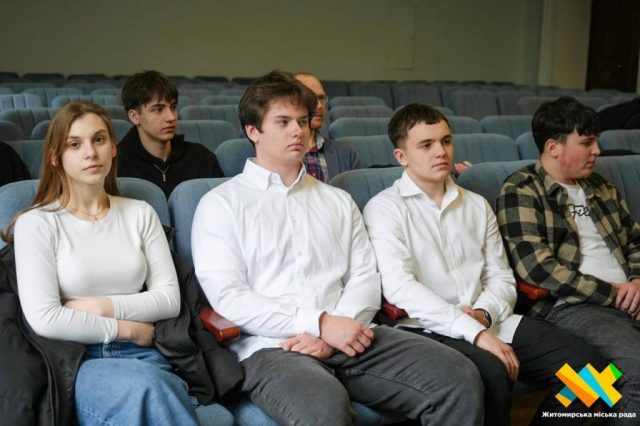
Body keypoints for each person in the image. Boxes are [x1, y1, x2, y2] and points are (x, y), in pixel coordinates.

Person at [191, 71, 484, 425]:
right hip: (271, 345)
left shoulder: (337, 200)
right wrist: (320, 324)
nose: (298, 131)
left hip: (351, 332)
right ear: (253, 131)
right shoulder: (220, 204)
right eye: (283, 122)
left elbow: (364, 277)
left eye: (302, 121)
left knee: (458, 376)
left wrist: (337, 330)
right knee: (323, 407)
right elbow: (230, 298)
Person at [363, 103, 606, 425]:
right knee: (491, 372)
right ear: (401, 156)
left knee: (597, 375)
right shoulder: (383, 209)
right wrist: (473, 331)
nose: (441, 152)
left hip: (490, 319)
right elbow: (401, 289)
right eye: (426, 145)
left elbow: (501, 277)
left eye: (446, 141)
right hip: (427, 328)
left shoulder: (476, 205)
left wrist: (483, 315)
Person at [7, 101, 203, 425]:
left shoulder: (140, 213)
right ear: (55, 157)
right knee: (148, 390)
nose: (90, 153)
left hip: (147, 354)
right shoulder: (37, 223)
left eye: (98, 140)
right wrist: (127, 329)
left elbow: (169, 300)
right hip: (77, 359)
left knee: (155, 389)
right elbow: (45, 318)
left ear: (112, 148)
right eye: (74, 144)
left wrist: (98, 307)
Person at [497, 96, 640, 418]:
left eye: (596, 141)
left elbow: (635, 240)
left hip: (627, 298)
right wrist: (616, 295)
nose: (597, 151)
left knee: (600, 379)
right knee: (629, 373)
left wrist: (637, 281)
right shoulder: (522, 189)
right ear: (553, 147)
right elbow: (538, 269)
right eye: (587, 143)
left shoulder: (601, 187)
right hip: (572, 306)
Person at [118, 70, 223, 198]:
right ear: (134, 117)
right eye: (158, 109)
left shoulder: (202, 158)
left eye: (173, 107)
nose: (171, 117)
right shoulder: (116, 165)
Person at [293, 72, 360, 181]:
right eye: (310, 98)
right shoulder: (275, 153)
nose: (319, 105)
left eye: (321, 98)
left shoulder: (345, 154)